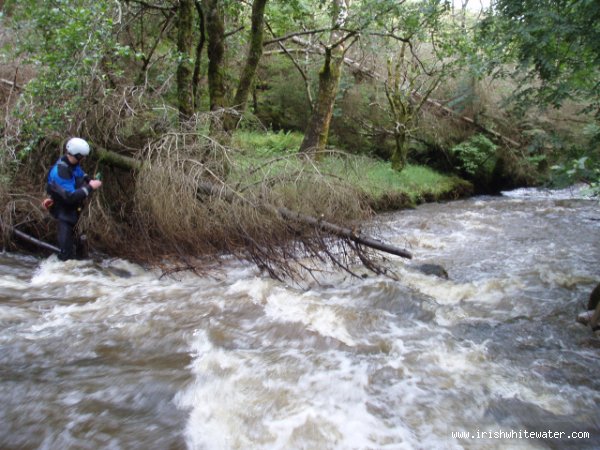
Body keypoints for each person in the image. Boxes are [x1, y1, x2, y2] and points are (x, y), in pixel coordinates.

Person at [45, 137, 102, 260]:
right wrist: (90, 187)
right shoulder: (61, 171)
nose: (84, 159)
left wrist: (89, 180)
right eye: (82, 157)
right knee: (66, 255)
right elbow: (70, 197)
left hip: (72, 211)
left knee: (76, 245)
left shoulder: (71, 163)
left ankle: (78, 255)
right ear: (77, 156)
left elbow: (81, 174)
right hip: (63, 212)